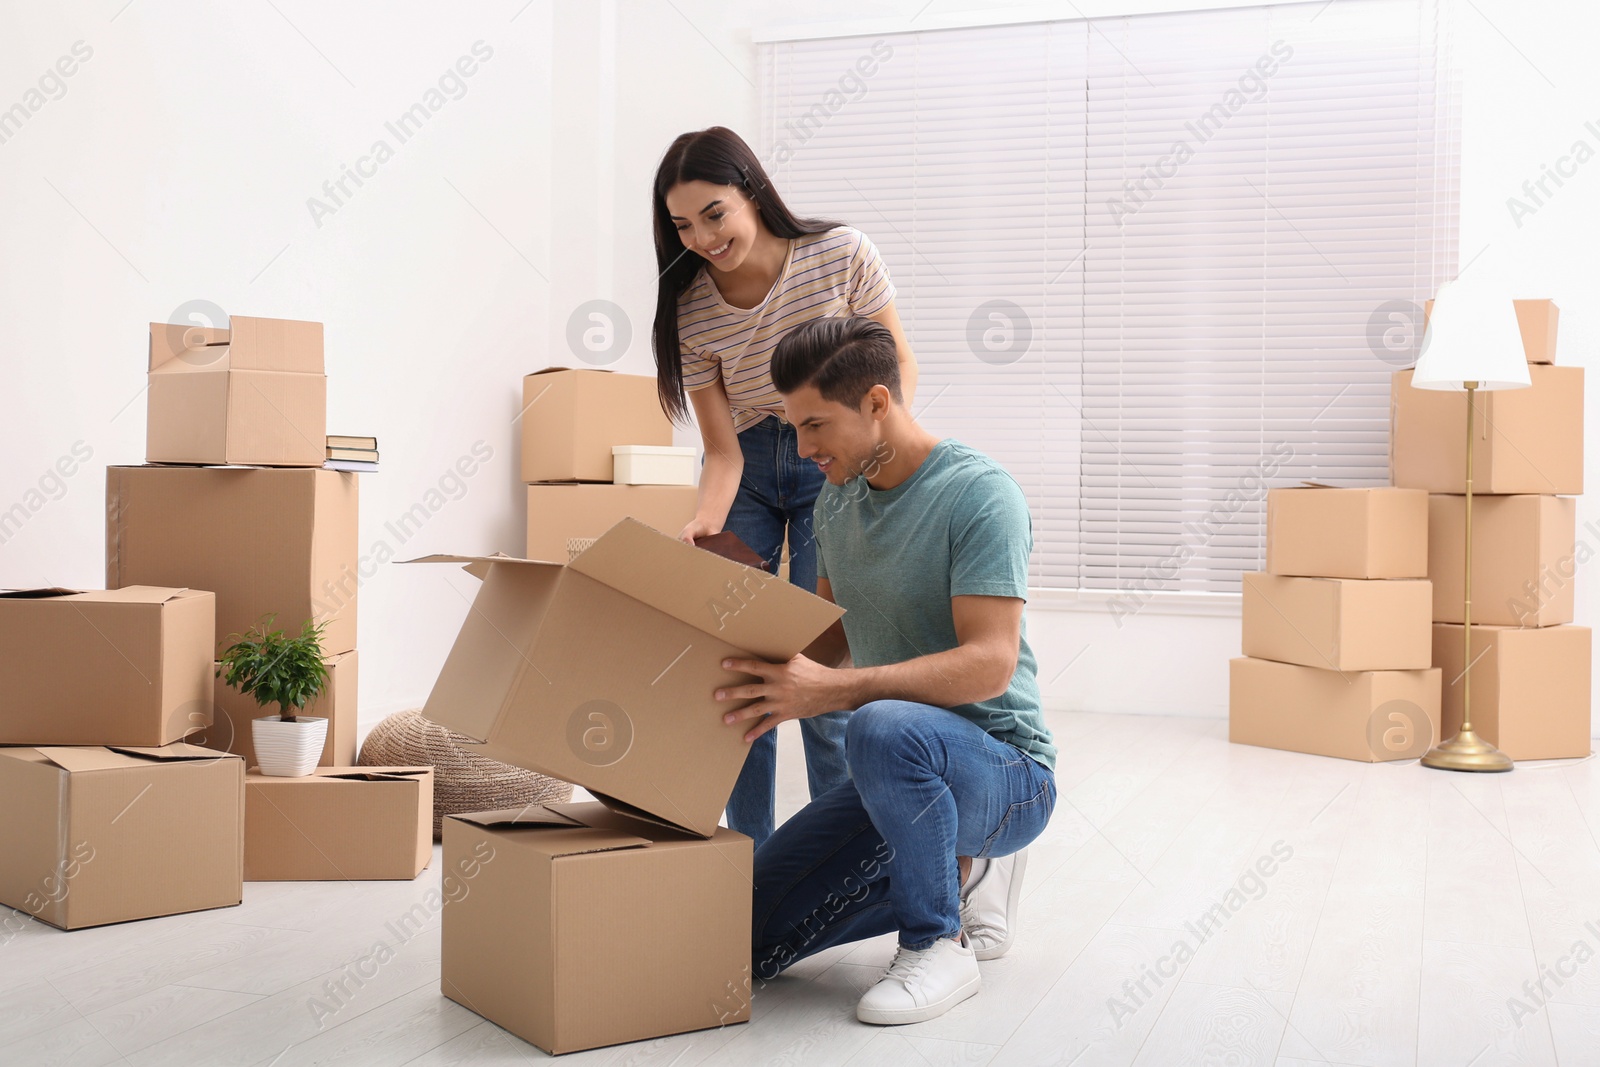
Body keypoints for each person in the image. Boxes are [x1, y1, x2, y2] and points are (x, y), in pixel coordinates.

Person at [715, 317, 1057, 1024]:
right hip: (893, 771)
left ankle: (937, 940)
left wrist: (829, 693)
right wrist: (740, 664)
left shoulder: (980, 494)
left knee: (879, 723)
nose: (802, 449)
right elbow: (829, 641)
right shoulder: (838, 499)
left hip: (1005, 773)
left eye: (815, 426)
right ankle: (947, 870)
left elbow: (991, 665)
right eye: (793, 427)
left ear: (877, 402)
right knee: (739, 935)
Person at [651, 127, 919, 849]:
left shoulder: (841, 255)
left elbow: (897, 384)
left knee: (819, 664)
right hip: (750, 460)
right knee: (739, 672)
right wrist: (705, 524)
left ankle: (844, 857)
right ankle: (753, 863)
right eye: (682, 225)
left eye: (714, 213)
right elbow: (719, 450)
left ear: (753, 193)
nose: (703, 237)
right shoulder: (692, 307)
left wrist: (874, 478)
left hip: (833, 455)